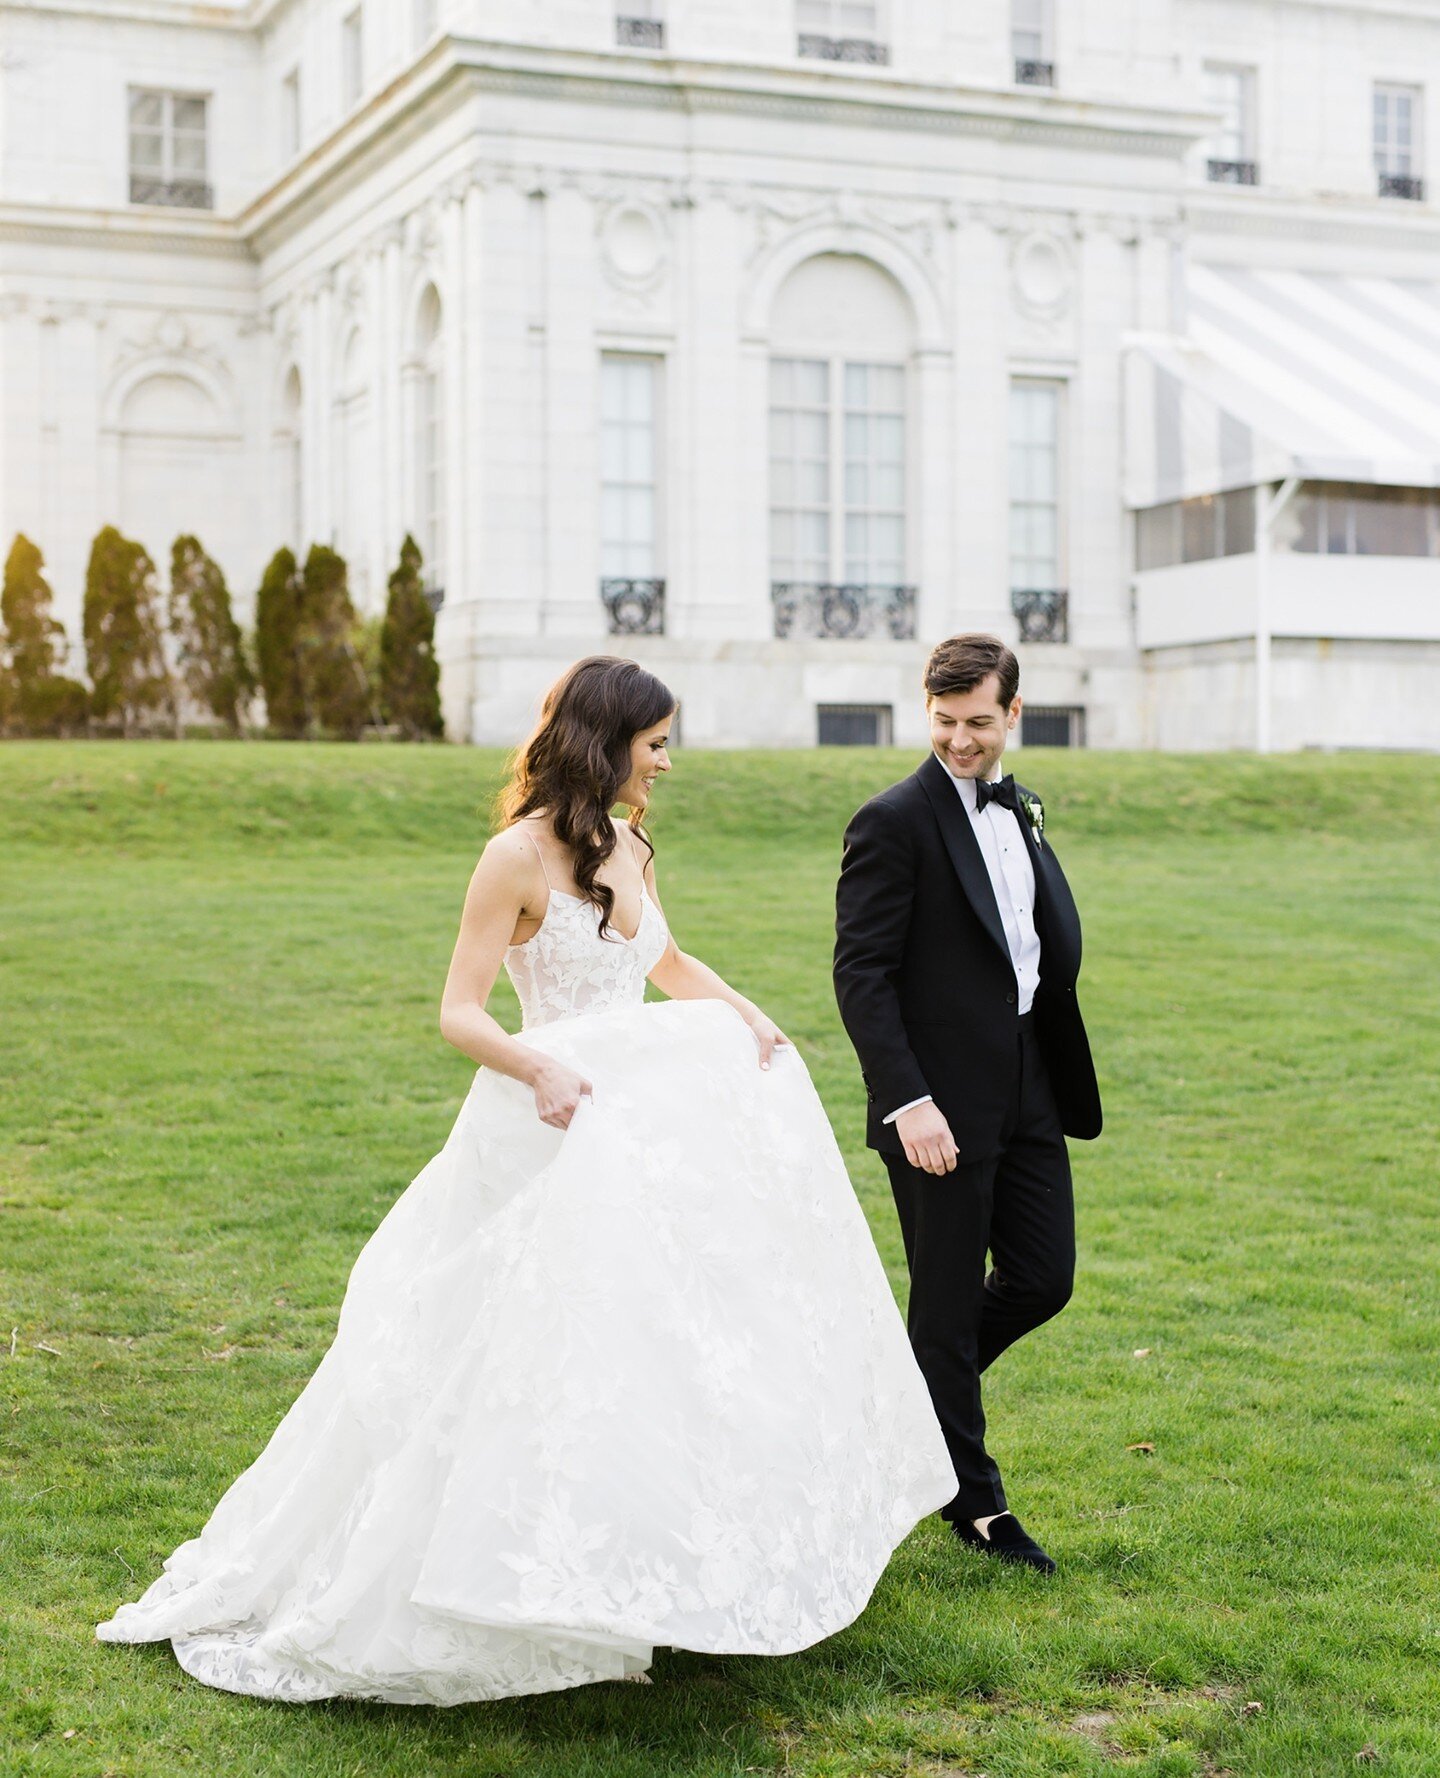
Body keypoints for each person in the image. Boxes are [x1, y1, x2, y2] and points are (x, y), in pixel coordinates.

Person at [96, 653, 957, 1703]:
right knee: (508, 1352)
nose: (669, 763)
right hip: (549, 1120)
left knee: (653, 1347)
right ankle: (472, 1577)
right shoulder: (513, 858)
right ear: (606, 743)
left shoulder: (632, 841)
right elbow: (459, 1009)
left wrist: (746, 1012)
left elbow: (666, 961)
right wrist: (536, 1061)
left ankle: (641, 1572)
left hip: (635, 1126)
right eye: (655, 745)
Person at [832, 633, 1102, 1574]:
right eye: (944, 722)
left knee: (1042, 1277)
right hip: (935, 1104)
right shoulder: (892, 821)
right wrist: (908, 1101)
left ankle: (898, 1405)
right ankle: (977, 1506)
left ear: (1013, 715)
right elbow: (861, 974)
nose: (959, 741)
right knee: (944, 1309)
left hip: (1030, 1079)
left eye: (978, 723)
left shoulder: (1017, 805)